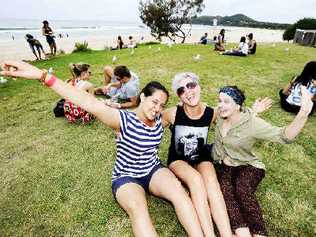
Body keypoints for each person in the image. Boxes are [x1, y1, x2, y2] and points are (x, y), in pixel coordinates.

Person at [0, 61, 207, 237]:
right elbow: (88, 101)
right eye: (154, 102)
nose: (157, 108)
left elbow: (191, 109)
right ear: (142, 97)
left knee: (180, 194)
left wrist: (190, 95)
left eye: (162, 105)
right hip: (127, 177)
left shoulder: (162, 118)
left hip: (153, 170)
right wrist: (41, 75)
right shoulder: (121, 120)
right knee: (139, 210)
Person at [162, 73, 271, 237]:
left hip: (202, 155)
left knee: (213, 184)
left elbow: (234, 118)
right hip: (178, 159)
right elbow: (150, 126)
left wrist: (253, 112)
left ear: (199, 86)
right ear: (179, 95)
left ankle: (227, 234)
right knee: (196, 181)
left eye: (191, 85)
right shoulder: (172, 113)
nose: (188, 92)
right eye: (181, 90)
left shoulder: (211, 113)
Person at [210, 85, 313, 237]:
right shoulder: (218, 115)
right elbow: (200, 111)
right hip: (223, 166)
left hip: (248, 166)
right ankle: (242, 233)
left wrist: (303, 114)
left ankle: (259, 233)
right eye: (219, 101)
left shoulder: (252, 124)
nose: (220, 105)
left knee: (242, 188)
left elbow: (284, 136)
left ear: (238, 105)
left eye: (226, 101)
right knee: (226, 191)